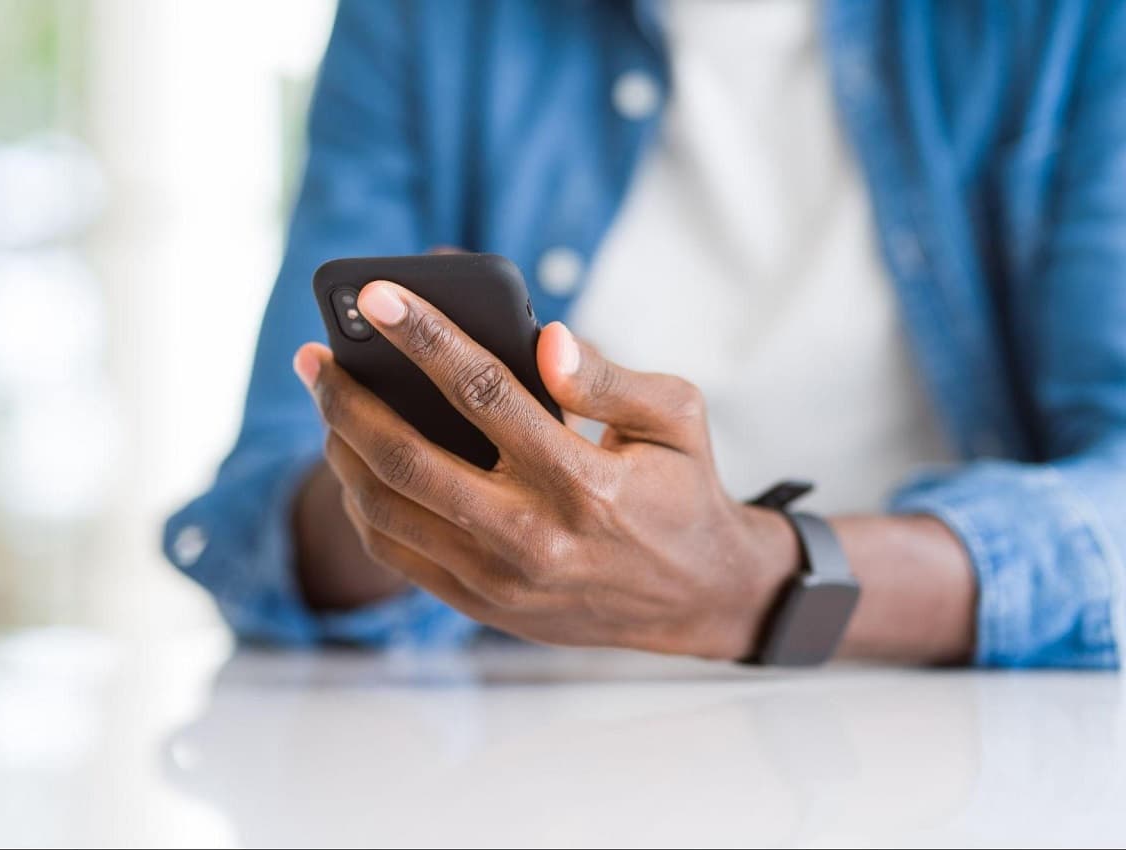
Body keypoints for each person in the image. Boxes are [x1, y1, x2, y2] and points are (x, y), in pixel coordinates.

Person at [163, 0, 1126, 668]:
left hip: (972, 756)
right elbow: (259, 515)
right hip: (520, 764)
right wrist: (410, 489)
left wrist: (752, 581)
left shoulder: (1076, 26)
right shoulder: (424, 22)